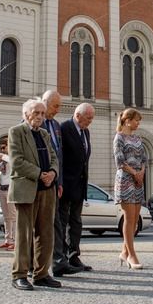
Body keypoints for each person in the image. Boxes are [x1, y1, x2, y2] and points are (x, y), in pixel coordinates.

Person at [8, 98, 60, 291]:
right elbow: (17, 161)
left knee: (46, 234)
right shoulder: (16, 132)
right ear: (25, 114)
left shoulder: (45, 134)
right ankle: (19, 275)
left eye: (42, 114)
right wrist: (40, 174)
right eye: (36, 113)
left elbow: (54, 157)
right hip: (26, 189)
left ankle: (41, 274)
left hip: (47, 189)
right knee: (24, 235)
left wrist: (53, 173)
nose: (39, 117)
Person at [42, 90, 76, 276]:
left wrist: (59, 180)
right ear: (45, 102)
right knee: (40, 225)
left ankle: (59, 262)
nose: (58, 110)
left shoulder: (55, 125)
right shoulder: (36, 124)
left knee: (56, 223)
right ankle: (38, 265)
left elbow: (59, 156)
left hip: (55, 183)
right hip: (40, 182)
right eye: (55, 106)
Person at [59, 102, 95, 272]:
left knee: (76, 222)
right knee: (63, 221)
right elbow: (61, 157)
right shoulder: (64, 128)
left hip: (80, 185)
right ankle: (62, 257)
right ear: (78, 115)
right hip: (66, 184)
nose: (90, 121)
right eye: (88, 118)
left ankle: (74, 255)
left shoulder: (85, 131)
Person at [114, 108, 147, 270]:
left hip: (138, 181)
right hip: (126, 181)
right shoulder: (119, 138)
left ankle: (124, 252)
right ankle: (132, 255)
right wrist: (135, 173)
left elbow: (144, 158)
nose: (138, 123)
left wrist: (141, 173)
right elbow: (119, 161)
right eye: (136, 120)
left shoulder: (138, 138)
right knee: (129, 218)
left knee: (135, 220)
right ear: (127, 120)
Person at [0, 137, 16, 251]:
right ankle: (8, 240)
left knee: (13, 216)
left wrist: (3, 156)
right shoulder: (3, 161)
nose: (2, 149)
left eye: (4, 147)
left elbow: (15, 163)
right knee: (6, 217)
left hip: (11, 189)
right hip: (2, 189)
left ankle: (16, 241)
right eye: (1, 148)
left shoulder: (13, 156)